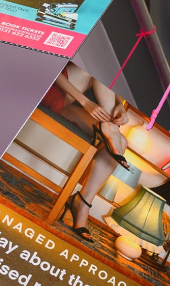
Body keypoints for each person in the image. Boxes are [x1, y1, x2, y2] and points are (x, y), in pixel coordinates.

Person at [42, 62, 130, 244]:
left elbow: (115, 82)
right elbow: (49, 64)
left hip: (68, 105)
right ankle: (110, 129)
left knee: (121, 142)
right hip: (48, 86)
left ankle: (82, 203)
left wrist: (120, 105)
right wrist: (85, 102)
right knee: (101, 67)